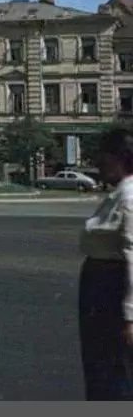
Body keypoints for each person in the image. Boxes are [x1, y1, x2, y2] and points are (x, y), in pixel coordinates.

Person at [79, 126, 133, 400]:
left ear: (119, 158)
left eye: (102, 156)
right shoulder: (119, 194)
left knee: (112, 369)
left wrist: (131, 316)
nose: (97, 163)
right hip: (102, 289)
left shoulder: (129, 196)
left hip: (110, 290)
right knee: (102, 367)